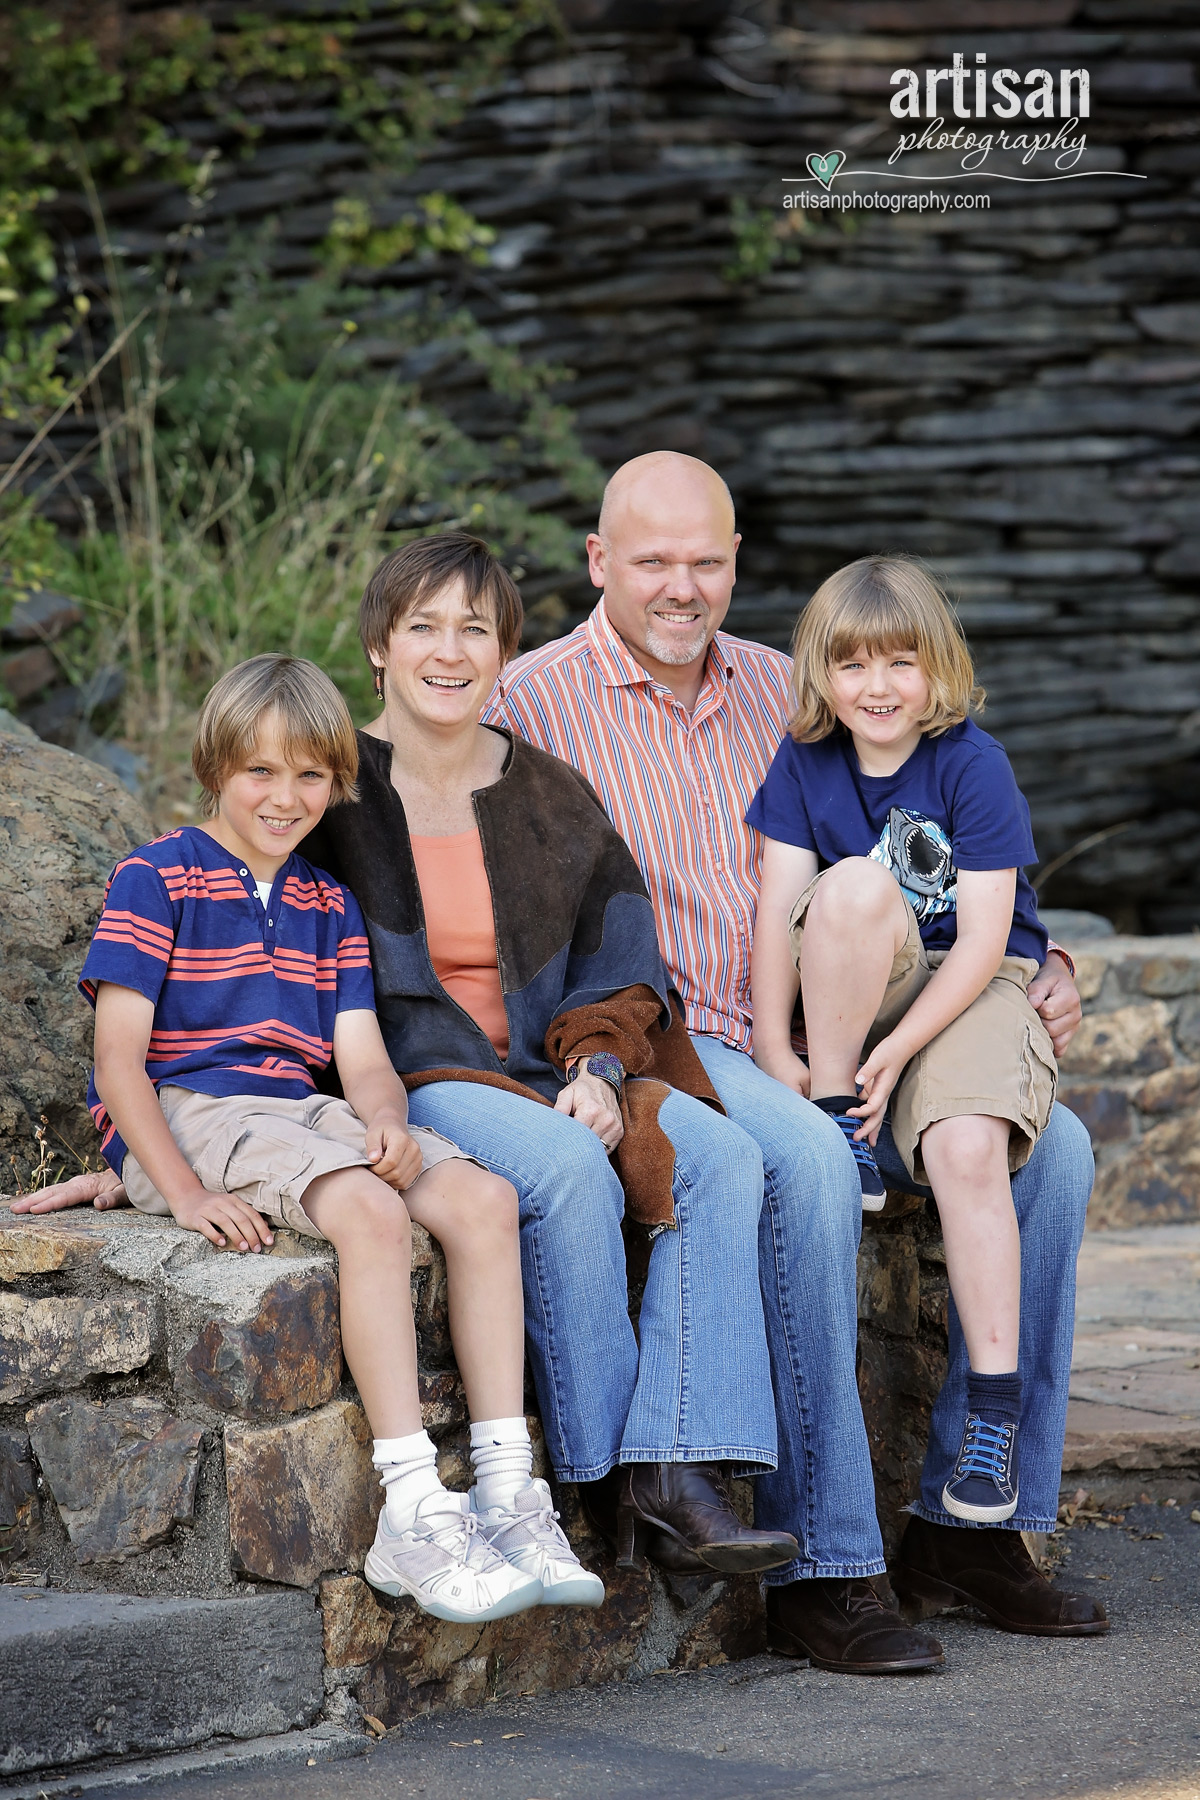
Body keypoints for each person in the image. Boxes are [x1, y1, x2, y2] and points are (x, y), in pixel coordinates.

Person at [22, 539, 799, 1584]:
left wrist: (600, 1071)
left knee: (723, 1157)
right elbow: (172, 1020)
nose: (449, 650)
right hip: (415, 1082)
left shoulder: (544, 803)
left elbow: (615, 963)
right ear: (379, 647)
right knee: (558, 1176)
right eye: (423, 625)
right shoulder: (318, 809)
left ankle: (666, 1464)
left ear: (506, 652)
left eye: (475, 629)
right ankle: (592, 1475)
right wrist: (144, 1167)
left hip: (524, 1078)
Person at [485, 449, 1108, 1670]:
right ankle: (829, 1566)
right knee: (816, 1173)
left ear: (735, 564)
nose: (682, 586)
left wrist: (1040, 953)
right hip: (688, 1035)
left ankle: (970, 1527)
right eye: (653, 560)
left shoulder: (794, 682)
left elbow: (933, 835)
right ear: (599, 562)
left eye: (706, 561)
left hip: (853, 1010)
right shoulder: (528, 703)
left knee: (1062, 1156)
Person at [61, 653, 571, 1625]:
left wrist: (384, 1119)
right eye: (260, 771)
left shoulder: (325, 906)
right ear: (216, 766)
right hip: (193, 1107)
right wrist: (172, 1185)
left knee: (482, 1199)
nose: (284, 796)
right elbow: (122, 1063)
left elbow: (361, 1056)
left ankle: (508, 1490)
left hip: (296, 1112)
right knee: (370, 1213)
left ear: (336, 782)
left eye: (308, 775)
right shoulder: (157, 877)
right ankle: (413, 1507)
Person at [749, 554, 1059, 1528]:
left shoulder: (973, 763)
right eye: (853, 666)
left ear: (937, 667)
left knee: (969, 1149)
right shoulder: (806, 763)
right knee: (850, 886)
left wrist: (903, 1051)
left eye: (899, 663)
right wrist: (772, 1045)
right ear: (821, 675)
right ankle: (842, 1120)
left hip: (966, 987)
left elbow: (979, 945)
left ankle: (992, 1422)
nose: (877, 688)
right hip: (859, 983)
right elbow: (775, 914)